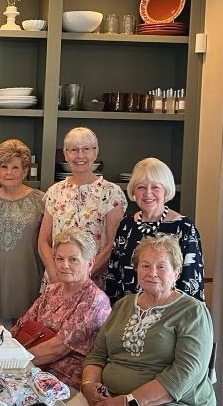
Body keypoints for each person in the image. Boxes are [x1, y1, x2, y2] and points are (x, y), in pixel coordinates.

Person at [67, 234, 215, 406]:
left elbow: (183, 377)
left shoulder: (192, 312)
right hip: (109, 396)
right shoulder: (124, 304)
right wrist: (89, 388)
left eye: (161, 266)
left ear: (176, 271)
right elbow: (97, 355)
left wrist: (127, 403)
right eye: (145, 265)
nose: (152, 272)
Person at [11, 229, 110, 389]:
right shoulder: (52, 290)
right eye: (59, 258)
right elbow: (20, 326)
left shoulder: (94, 300)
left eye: (73, 259)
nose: (65, 265)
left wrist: (12, 362)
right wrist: (0, 350)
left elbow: (57, 349)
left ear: (90, 263)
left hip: (63, 381)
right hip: (31, 369)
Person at [105, 157, 204, 304]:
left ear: (166, 190)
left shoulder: (184, 227)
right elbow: (114, 275)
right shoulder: (126, 225)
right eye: (141, 187)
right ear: (133, 191)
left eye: (155, 187)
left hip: (169, 317)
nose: (148, 193)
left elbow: (191, 283)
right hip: (130, 313)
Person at [38, 127, 126, 289]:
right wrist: (54, 275)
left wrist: (82, 278)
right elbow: (43, 241)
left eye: (86, 149)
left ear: (96, 152)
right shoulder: (54, 192)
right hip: (56, 282)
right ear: (65, 154)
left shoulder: (111, 193)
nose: (80, 155)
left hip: (93, 283)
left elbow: (112, 244)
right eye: (73, 150)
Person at [0, 139, 45, 321]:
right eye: (3, 166)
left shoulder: (41, 202)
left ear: (25, 170)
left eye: (15, 167)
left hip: (30, 281)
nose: (9, 172)